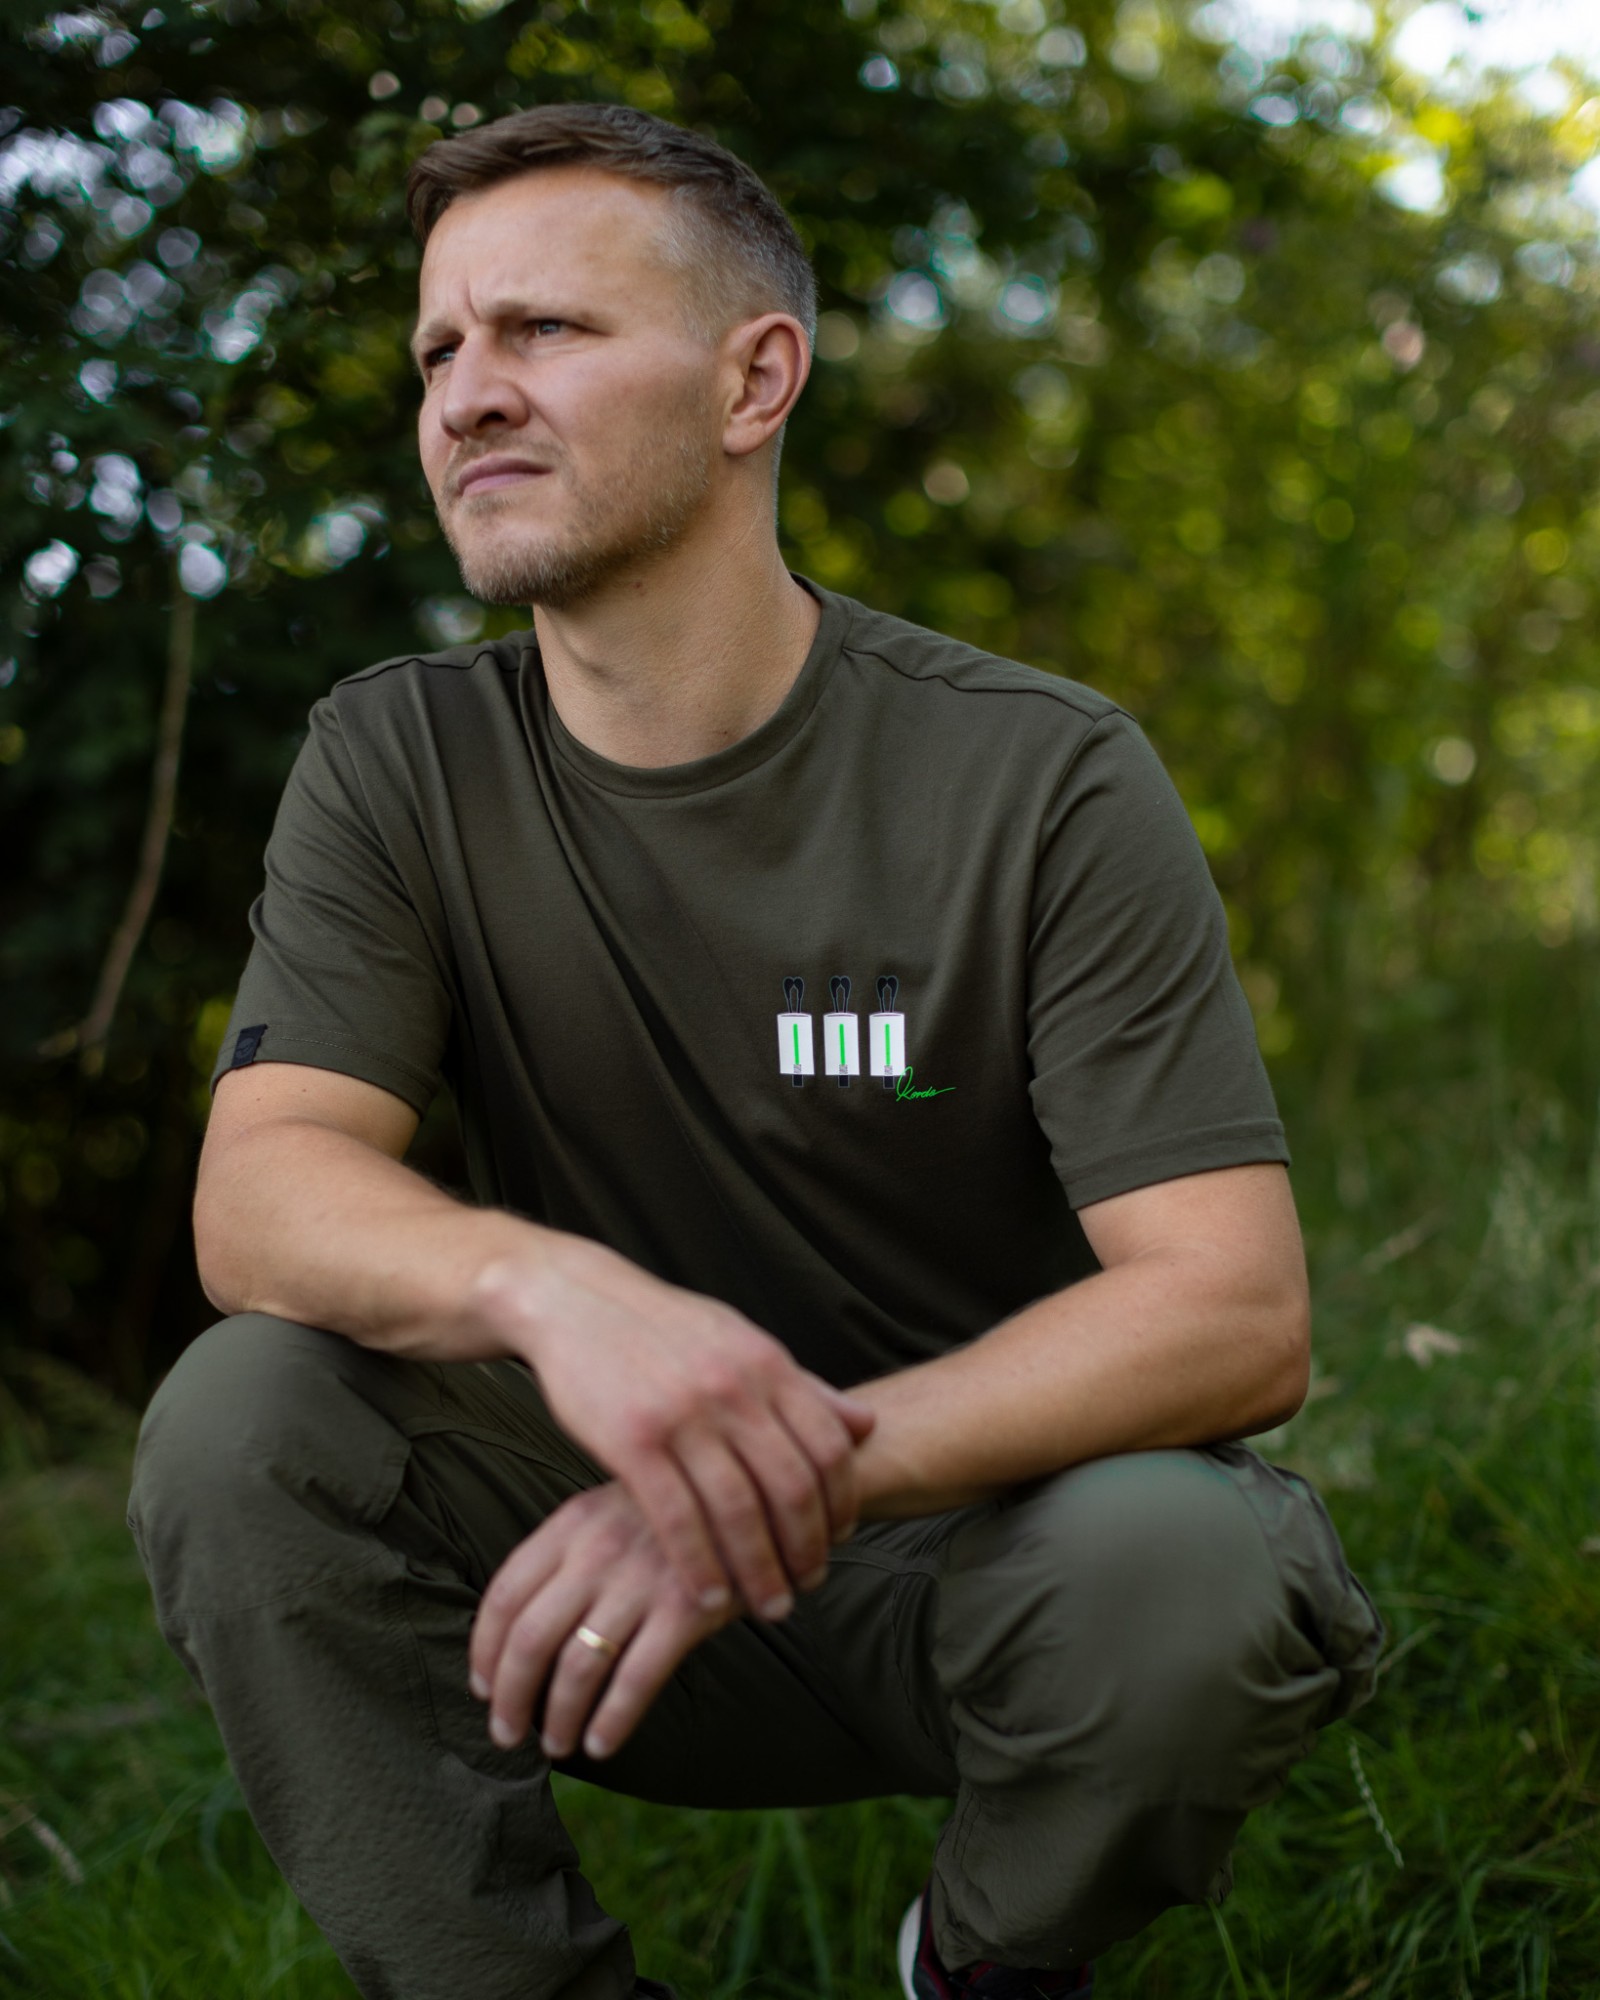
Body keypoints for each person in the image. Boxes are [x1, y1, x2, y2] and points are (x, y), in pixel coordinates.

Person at [126, 103, 1383, 2000]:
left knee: (1186, 1569)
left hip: (982, 1566)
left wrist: (785, 1477)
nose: (467, 394)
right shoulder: (398, 761)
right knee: (242, 1421)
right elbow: (263, 1195)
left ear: (755, 380)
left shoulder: (1039, 774)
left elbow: (1234, 1313)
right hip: (582, 1584)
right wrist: (555, 1292)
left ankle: (982, 1965)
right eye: (439, 350)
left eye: (545, 329)